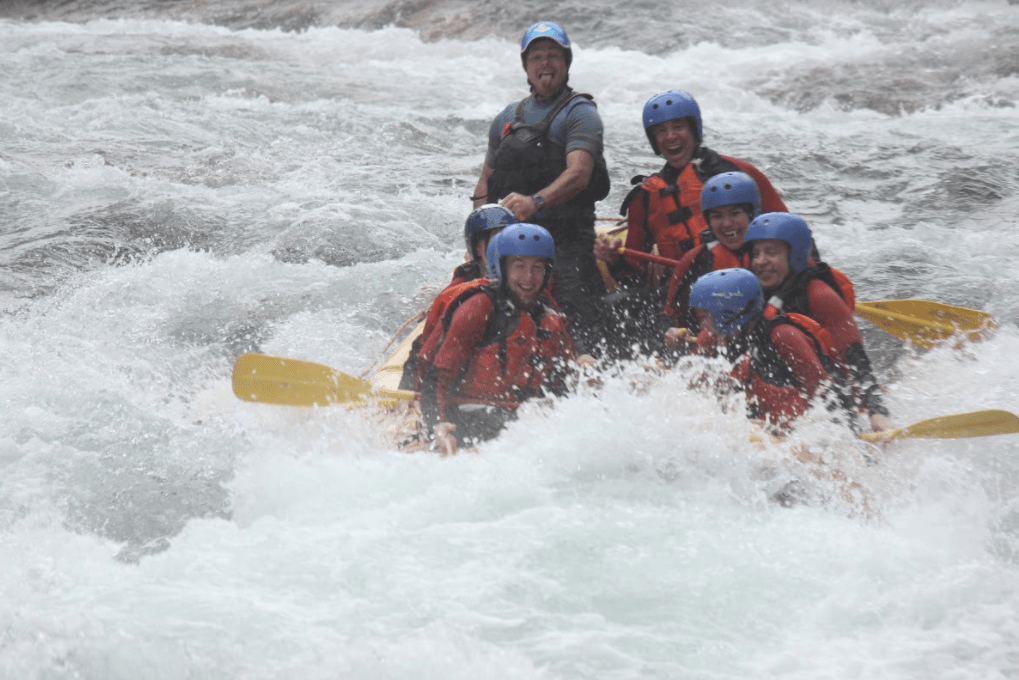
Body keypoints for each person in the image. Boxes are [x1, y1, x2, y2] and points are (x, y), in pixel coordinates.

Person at [471, 21, 611, 354]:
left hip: (567, 242)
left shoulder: (581, 113)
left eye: (553, 56)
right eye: (536, 57)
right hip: (514, 244)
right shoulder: (508, 116)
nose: (545, 63)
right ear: (527, 67)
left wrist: (535, 202)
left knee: (572, 305)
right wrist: (477, 240)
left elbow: (579, 173)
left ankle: (585, 361)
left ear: (566, 63)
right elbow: (486, 181)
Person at [419, 223, 583, 455]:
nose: (529, 277)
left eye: (537, 267)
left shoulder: (548, 313)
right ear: (502, 267)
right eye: (519, 266)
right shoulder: (479, 307)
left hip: (522, 417)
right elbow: (437, 377)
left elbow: (569, 374)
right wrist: (437, 423)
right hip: (466, 414)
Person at [594, 90, 787, 283]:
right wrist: (613, 260)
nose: (670, 137)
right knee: (617, 302)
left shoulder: (738, 172)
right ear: (654, 140)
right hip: (684, 292)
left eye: (678, 127)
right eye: (661, 131)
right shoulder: (645, 197)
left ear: (694, 129)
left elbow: (788, 230)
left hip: (748, 280)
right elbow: (633, 276)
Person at [743, 213, 892, 433]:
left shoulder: (819, 295)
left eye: (771, 252)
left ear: (795, 255)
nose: (760, 261)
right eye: (755, 254)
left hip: (832, 398)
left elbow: (855, 357)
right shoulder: (755, 292)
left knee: (783, 335)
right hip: (780, 392)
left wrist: (877, 412)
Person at [688, 268, 845, 431]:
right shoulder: (734, 338)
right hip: (769, 428)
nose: (702, 326)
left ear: (729, 313)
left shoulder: (783, 336)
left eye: (705, 317)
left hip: (803, 436)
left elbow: (828, 397)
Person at [398, 204, 517, 390]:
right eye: (496, 241)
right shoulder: (459, 292)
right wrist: (408, 390)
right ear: (478, 248)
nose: (502, 249)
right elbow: (424, 349)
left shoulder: (529, 286)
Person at [661, 171, 760, 349]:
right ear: (708, 220)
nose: (727, 223)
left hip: (758, 344)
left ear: (751, 214)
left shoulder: (770, 260)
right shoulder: (694, 260)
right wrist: (673, 333)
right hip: (708, 346)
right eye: (717, 216)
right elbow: (669, 316)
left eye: (735, 213)